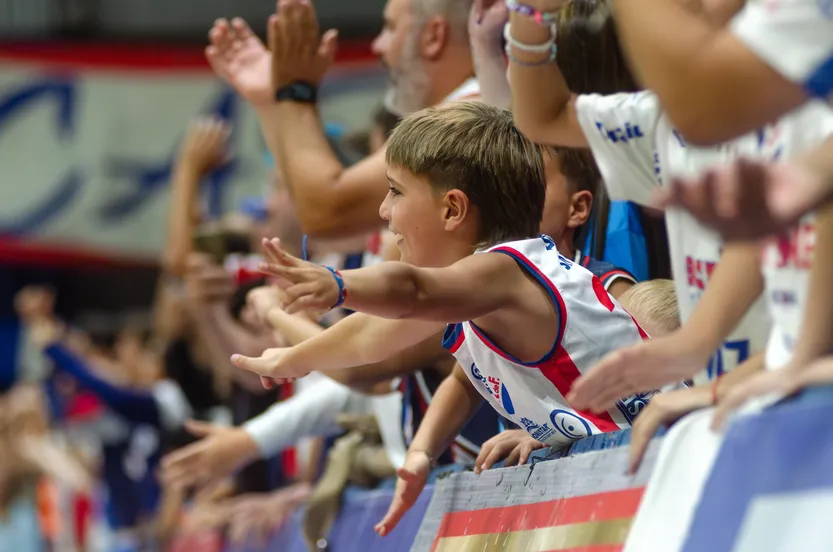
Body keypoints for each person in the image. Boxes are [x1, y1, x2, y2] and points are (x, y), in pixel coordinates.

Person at [229, 102, 651, 535]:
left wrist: (339, 284)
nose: (383, 211)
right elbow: (380, 338)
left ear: (452, 210)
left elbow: (410, 291)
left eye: (395, 191)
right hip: (624, 462)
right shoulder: (475, 301)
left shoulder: (508, 270)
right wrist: (420, 452)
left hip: (658, 451)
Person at [506, 0, 833, 387]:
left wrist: (716, 388)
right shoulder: (661, 119)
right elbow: (544, 117)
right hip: (756, 388)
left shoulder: (810, 114)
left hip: (779, 388)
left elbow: (696, 111)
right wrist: (529, 14)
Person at [205, 0, 479, 238]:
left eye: (391, 27)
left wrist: (295, 91)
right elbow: (309, 201)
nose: (377, 45)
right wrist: (272, 101)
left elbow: (327, 213)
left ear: (433, 36)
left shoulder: (463, 120)